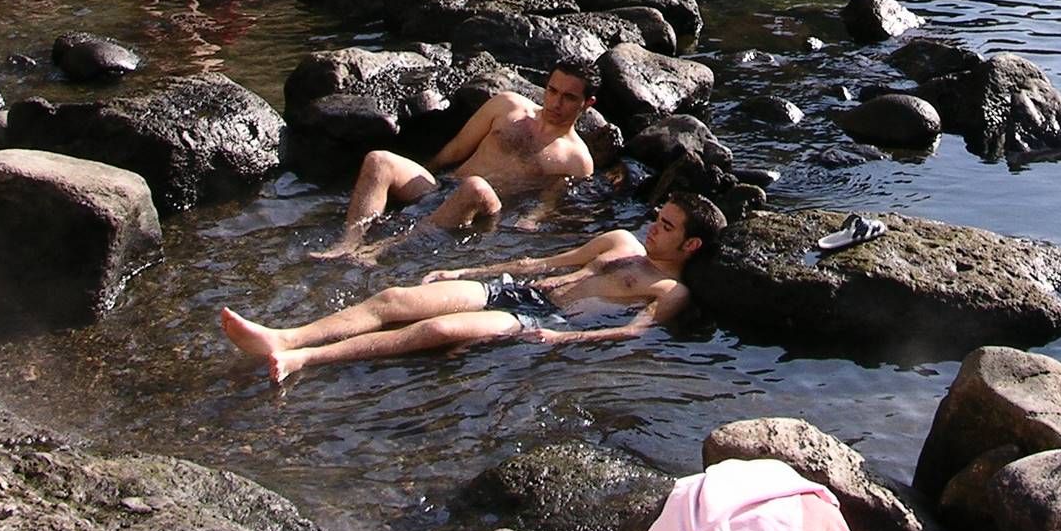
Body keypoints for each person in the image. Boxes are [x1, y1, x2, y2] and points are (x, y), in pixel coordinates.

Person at [221, 195, 725, 384]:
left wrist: (562, 340)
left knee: (439, 330)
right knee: (397, 299)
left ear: (691, 244)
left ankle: (304, 359)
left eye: (667, 226)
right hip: (518, 291)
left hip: (541, 320)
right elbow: (538, 262)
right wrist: (467, 270)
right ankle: (286, 336)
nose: (653, 227)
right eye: (657, 217)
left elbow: (632, 333)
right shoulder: (619, 242)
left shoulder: (670, 291)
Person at [310, 60, 597, 258]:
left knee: (476, 186)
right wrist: (424, 173)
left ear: (587, 103)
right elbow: (457, 149)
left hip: (486, 208)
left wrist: (528, 222)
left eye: (569, 97)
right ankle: (348, 244)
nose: (556, 103)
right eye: (552, 91)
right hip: (446, 188)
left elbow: (548, 203)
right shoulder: (508, 105)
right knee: (380, 160)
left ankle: (379, 250)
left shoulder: (577, 160)